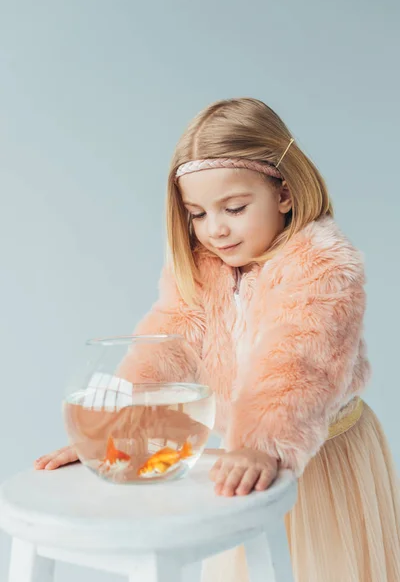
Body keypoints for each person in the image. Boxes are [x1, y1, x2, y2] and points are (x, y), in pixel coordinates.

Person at [35, 97, 400, 581]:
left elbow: (299, 362)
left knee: (324, 568)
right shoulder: (203, 267)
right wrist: (113, 432)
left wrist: (260, 442)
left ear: (285, 193)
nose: (215, 230)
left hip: (320, 457)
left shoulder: (324, 265)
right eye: (198, 214)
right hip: (243, 459)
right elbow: (164, 347)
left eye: (234, 207)